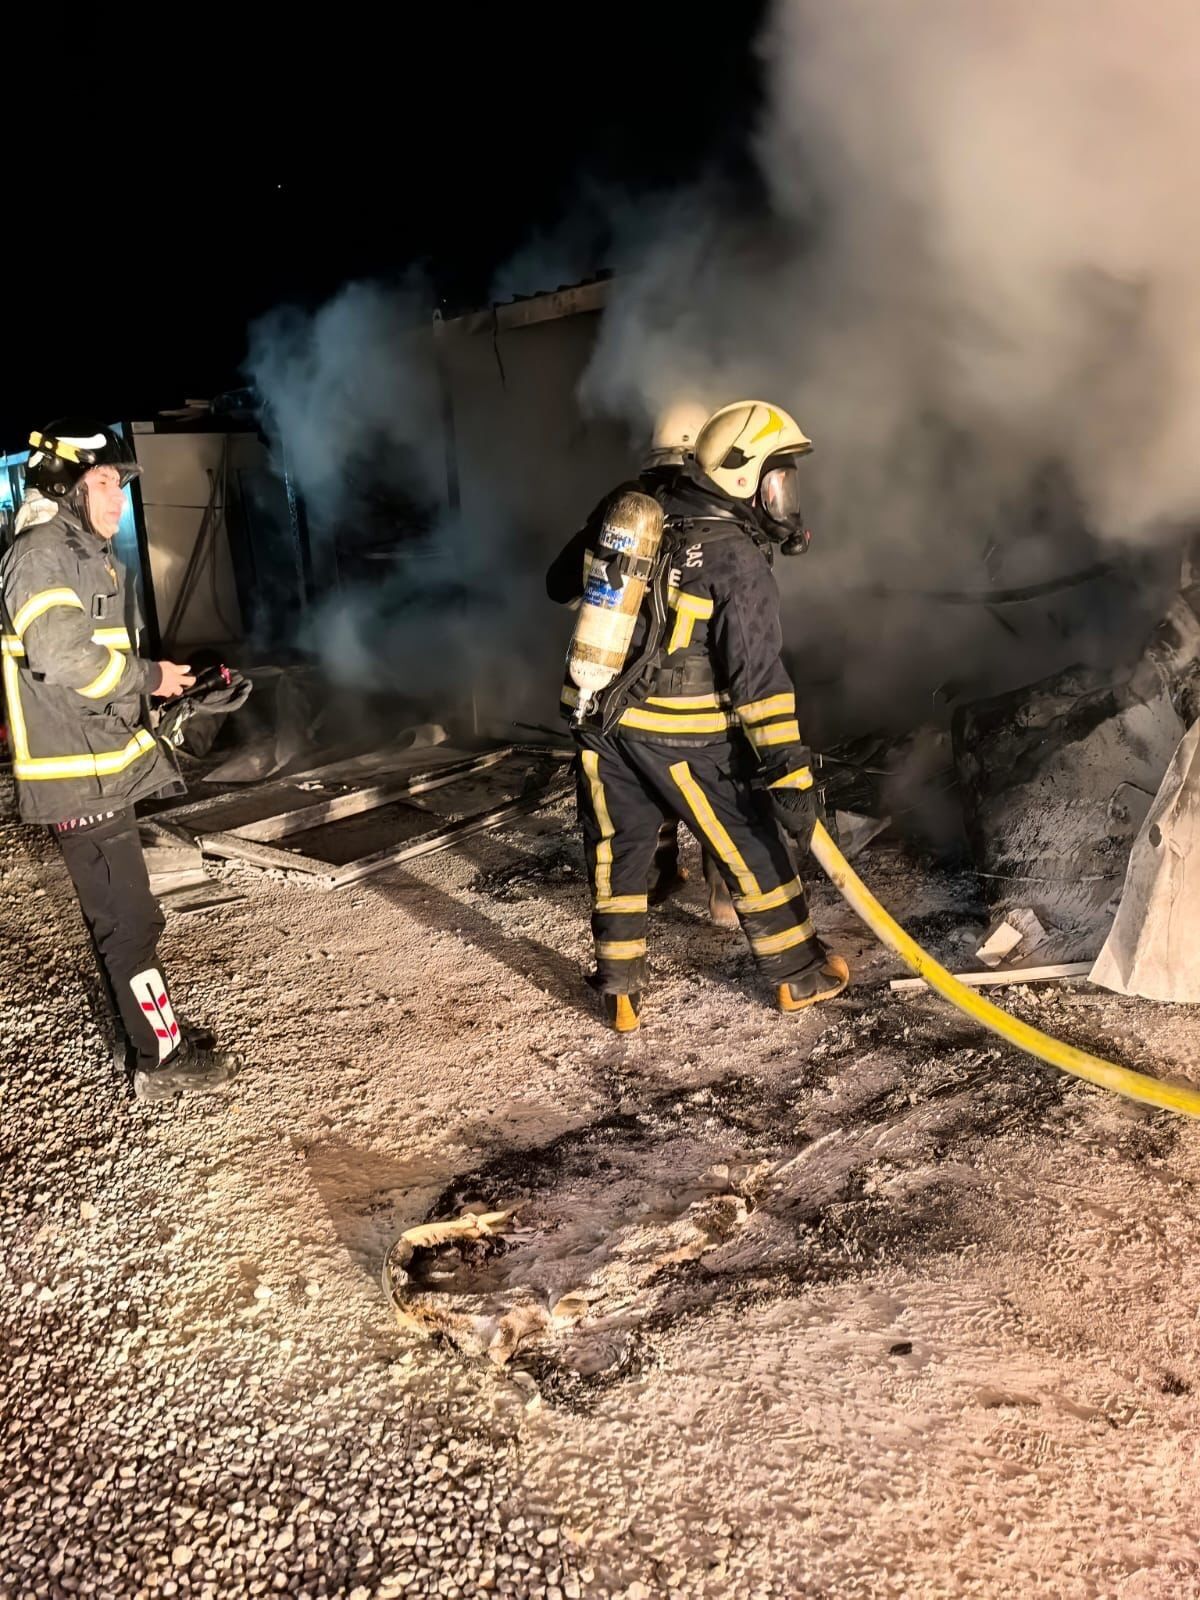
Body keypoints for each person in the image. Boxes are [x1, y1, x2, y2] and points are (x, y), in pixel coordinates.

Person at [550, 399, 849, 1032]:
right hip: (684, 735)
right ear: (741, 476)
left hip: (601, 721)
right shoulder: (734, 557)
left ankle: (620, 989)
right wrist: (789, 775)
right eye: (778, 478)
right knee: (751, 844)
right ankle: (799, 975)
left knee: (618, 848)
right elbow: (758, 683)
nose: (783, 497)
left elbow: (566, 583)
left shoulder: (636, 516)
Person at [0, 421, 242, 1102]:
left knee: (127, 920)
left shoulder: (87, 555)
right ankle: (160, 1062)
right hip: (78, 781)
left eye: (118, 485)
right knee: (129, 924)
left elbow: (96, 666)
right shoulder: (43, 555)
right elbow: (63, 657)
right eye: (103, 482)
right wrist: (146, 677)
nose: (116, 498)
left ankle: (154, 1031)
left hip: (99, 767)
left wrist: (166, 689)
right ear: (62, 486)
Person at [546, 401, 738, 928]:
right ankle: (723, 899)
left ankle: (656, 876)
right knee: (722, 790)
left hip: (616, 699)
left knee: (633, 796)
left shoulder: (623, 507)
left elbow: (558, 585)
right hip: (696, 698)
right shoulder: (721, 510)